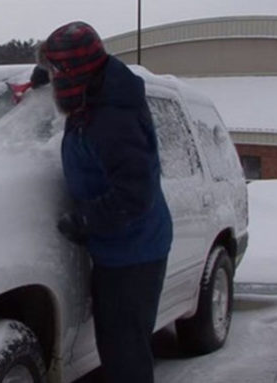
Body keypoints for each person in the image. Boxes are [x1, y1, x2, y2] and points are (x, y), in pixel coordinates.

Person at [43, 21, 173, 382]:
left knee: (124, 355)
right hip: (121, 247)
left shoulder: (112, 118)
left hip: (133, 253)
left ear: (73, 71)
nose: (53, 78)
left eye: (56, 70)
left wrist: (85, 220)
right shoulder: (97, 92)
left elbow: (135, 194)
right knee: (119, 347)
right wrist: (41, 77)